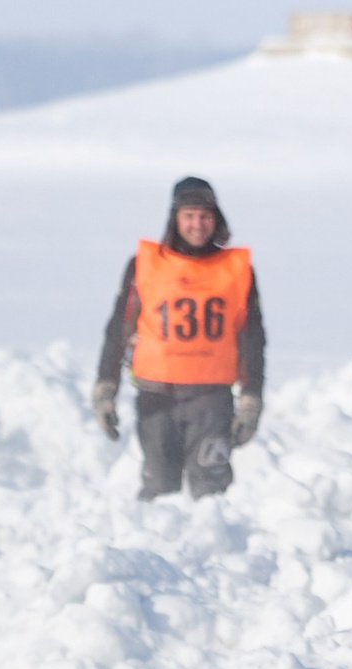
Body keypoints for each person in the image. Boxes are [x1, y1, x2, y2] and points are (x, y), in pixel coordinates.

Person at [92, 177, 266, 500]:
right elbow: (119, 327)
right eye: (189, 216)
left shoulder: (236, 270)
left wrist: (252, 398)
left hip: (212, 403)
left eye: (204, 216)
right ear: (175, 218)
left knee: (212, 491)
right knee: (159, 488)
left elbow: (253, 338)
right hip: (157, 399)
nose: (197, 224)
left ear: (216, 219)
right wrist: (106, 386)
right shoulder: (144, 265)